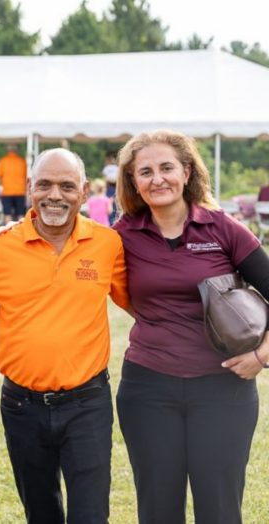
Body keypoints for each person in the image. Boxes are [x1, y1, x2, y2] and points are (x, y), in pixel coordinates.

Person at [0, 148, 129, 524]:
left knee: (91, 516)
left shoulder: (108, 245)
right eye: (44, 184)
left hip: (87, 403)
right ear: (29, 188)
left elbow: (145, 306)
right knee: (40, 514)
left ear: (84, 190)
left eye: (66, 186)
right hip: (22, 406)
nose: (54, 195)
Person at [113, 130, 269, 524]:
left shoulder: (222, 228)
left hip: (223, 389)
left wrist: (261, 356)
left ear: (186, 172)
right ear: (133, 181)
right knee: (158, 509)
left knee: (218, 508)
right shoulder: (120, 235)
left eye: (166, 168)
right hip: (147, 388)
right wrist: (17, 228)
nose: (157, 179)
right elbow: (67, 250)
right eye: (144, 172)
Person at [0, 144, 28, 222]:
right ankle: (21, 233)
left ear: (7, 150)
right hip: (20, 192)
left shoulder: (2, 161)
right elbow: (26, 176)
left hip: (7, 192)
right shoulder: (22, 161)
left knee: (7, 214)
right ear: (17, 151)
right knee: (20, 214)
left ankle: (9, 232)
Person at [102, 152, 119, 223]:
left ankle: (115, 219)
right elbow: (106, 178)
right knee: (109, 203)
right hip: (110, 187)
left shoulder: (116, 168)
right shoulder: (107, 168)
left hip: (116, 186)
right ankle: (110, 220)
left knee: (115, 203)